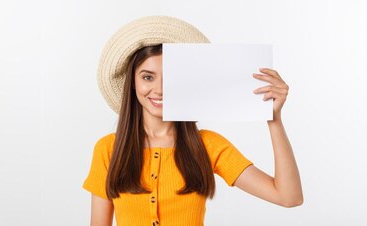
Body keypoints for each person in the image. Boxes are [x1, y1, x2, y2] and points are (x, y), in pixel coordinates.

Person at [82, 16, 303, 226]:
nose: (158, 90)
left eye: (170, 78)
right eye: (147, 77)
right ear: (133, 82)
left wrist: (273, 119)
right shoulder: (108, 149)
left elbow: (288, 196)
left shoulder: (208, 146)